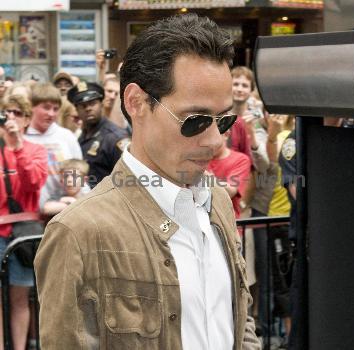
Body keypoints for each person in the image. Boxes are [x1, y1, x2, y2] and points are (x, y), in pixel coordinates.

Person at [35, 13, 261, 349]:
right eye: (195, 120)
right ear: (136, 102)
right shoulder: (79, 232)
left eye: (224, 119)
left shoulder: (218, 201)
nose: (215, 141)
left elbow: (238, 318)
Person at [0, 94, 48, 350]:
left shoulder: (36, 150)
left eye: (18, 113)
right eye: (7, 112)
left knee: (20, 298)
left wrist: (17, 146)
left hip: (23, 236)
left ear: (28, 119)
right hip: (0, 232)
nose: (11, 118)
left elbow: (34, 183)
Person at [24, 83, 83, 209]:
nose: (51, 114)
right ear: (32, 107)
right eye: (46, 107)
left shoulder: (67, 137)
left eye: (55, 109)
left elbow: (79, 174)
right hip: (30, 215)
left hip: (64, 210)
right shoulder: (23, 137)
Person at [67, 81, 130, 188]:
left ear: (101, 104)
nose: (88, 108)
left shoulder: (115, 137)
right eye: (83, 105)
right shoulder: (81, 137)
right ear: (77, 110)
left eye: (92, 103)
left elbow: (127, 179)